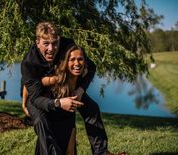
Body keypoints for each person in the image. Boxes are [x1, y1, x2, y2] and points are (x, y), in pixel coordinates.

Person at [21, 22, 126, 155]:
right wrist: (58, 103)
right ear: (37, 42)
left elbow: (91, 67)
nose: (51, 48)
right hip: (38, 94)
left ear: (59, 40)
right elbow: (35, 97)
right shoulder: (29, 63)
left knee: (92, 109)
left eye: (54, 43)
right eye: (46, 43)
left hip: (65, 88)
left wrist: (81, 90)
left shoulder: (67, 45)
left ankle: (101, 152)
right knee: (41, 121)